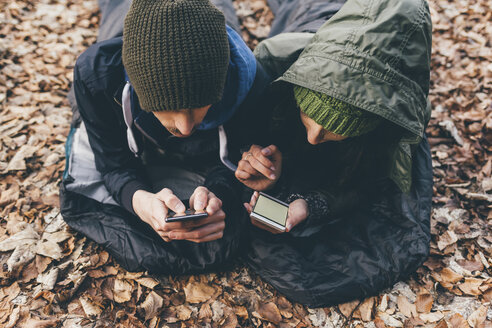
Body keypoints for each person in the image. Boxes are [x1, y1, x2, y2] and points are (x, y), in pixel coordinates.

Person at [229, 0, 433, 307]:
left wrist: (311, 207)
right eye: (306, 117)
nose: (312, 138)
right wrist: (257, 157)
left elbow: (373, 183)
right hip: (310, 16)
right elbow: (247, 124)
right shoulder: (280, 65)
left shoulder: (391, 125)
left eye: (332, 131)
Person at [60, 0, 271, 274]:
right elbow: (112, 162)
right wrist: (139, 201)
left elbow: (238, 154)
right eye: (170, 109)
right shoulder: (97, 75)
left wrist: (218, 194)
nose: (185, 128)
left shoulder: (250, 81)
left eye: (199, 106)